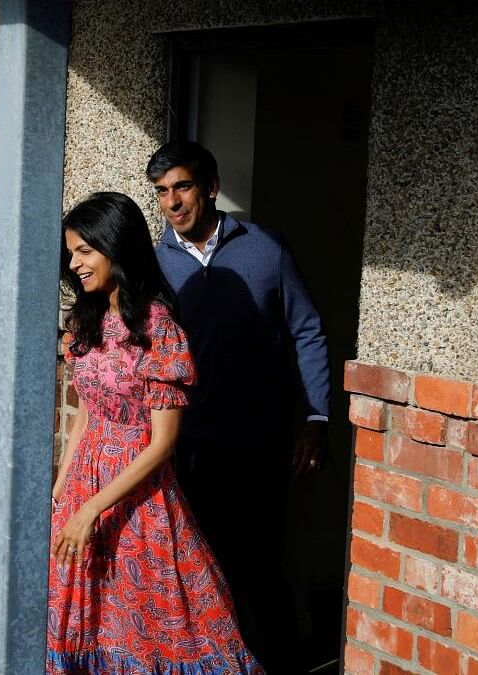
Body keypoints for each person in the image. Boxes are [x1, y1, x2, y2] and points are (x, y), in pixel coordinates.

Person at [47, 192, 263, 674]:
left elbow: (162, 444)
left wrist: (93, 508)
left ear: (116, 248)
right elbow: (86, 414)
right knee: (87, 618)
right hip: (85, 483)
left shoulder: (158, 330)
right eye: (71, 252)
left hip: (136, 498)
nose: (75, 263)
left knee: (157, 629)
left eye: (85, 251)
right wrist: (64, 488)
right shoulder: (88, 319)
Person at [147, 141, 331, 673]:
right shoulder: (157, 266)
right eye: (161, 192)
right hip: (191, 445)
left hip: (261, 441)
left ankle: (287, 663)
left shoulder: (266, 248)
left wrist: (316, 420)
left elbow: (308, 331)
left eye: (181, 186)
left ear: (209, 186)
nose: (172, 202)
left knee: (261, 568)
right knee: (202, 568)